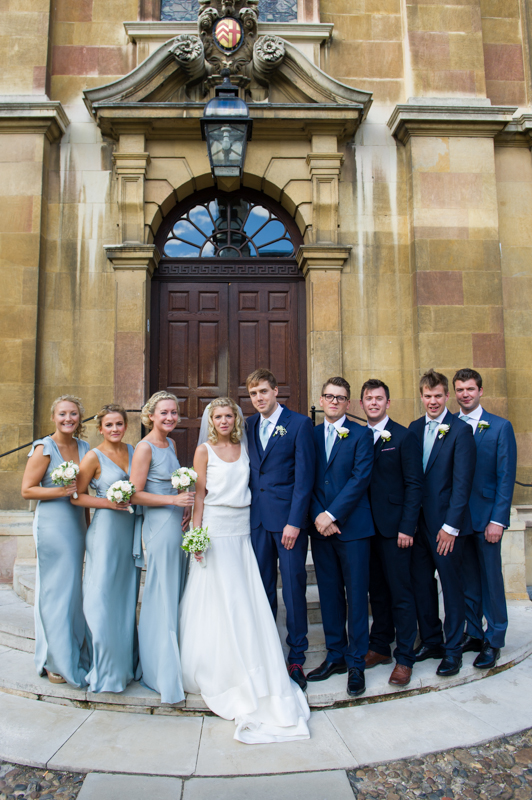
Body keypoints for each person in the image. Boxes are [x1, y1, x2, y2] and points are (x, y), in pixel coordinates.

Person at [179, 398, 310, 744]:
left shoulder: (246, 445)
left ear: (237, 419)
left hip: (243, 529)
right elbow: (200, 494)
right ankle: (219, 665)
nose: (223, 420)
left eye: (229, 415)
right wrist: (196, 535)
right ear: (211, 420)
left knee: (244, 595)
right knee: (218, 597)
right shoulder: (204, 451)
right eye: (218, 416)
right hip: (215, 527)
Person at [246, 369, 315, 691]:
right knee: (261, 588)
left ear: (276, 391)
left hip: (287, 522)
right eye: (253, 394)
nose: (259, 398)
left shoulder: (300, 424)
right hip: (256, 521)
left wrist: (295, 522)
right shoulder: (246, 425)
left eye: (263, 391)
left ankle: (296, 655)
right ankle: (267, 650)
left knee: (292, 587)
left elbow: (304, 479)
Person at [306, 377, 374, 697]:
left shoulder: (363, 435)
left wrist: (331, 515)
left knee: (357, 595)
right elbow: (306, 477)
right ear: (321, 400)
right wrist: (319, 515)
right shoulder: (311, 434)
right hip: (320, 530)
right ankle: (335, 655)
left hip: (353, 529)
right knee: (329, 594)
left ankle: (356, 661)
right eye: (329, 396)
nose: (334, 402)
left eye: (341, 397)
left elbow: (360, 479)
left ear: (349, 403)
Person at [409, 369, 476, 677]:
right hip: (418, 525)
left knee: (451, 587)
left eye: (438, 396)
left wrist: (451, 527)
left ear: (446, 396)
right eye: (427, 396)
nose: (433, 401)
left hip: (446, 527)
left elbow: (462, 484)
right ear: (421, 396)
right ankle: (432, 640)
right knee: (422, 585)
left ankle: (452, 649)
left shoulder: (459, 430)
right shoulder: (413, 427)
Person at [129, 391, 194, 704]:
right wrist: (172, 500)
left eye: (174, 413)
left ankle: (175, 660)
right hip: (158, 528)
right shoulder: (144, 448)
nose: (170, 418)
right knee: (162, 594)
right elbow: (133, 494)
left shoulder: (171, 443)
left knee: (176, 591)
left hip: (177, 525)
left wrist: (183, 506)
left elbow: (176, 482)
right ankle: (159, 670)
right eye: (164, 413)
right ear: (150, 415)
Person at [21, 395, 90, 687]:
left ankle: (71, 648)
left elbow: (84, 491)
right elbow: (27, 490)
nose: (68, 419)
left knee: (72, 589)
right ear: (54, 417)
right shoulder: (44, 448)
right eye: (62, 414)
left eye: (73, 414)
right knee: (54, 590)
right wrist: (59, 492)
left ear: (79, 418)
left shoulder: (85, 447)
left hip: (76, 525)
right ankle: (51, 658)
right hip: (52, 524)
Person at [72, 404, 140, 693]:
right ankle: (104, 666)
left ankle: (123, 665)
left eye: (119, 424)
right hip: (104, 532)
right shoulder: (92, 456)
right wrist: (109, 502)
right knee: (100, 598)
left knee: (124, 599)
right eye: (109, 425)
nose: (115, 429)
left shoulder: (135, 451)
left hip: (128, 532)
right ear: (100, 428)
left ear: (126, 426)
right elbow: (77, 496)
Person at [360, 379, 423, 687]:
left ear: (388, 403)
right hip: (366, 529)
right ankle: (379, 646)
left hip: (395, 529)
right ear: (361, 404)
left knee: (400, 592)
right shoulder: (358, 435)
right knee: (377, 592)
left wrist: (407, 526)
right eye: (369, 399)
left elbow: (414, 484)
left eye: (379, 398)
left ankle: (405, 658)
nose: (374, 403)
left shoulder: (403, 436)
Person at [453, 368, 517, 669]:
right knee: (467, 581)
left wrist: (498, 520)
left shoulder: (500, 427)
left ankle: (495, 639)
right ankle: (473, 633)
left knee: (491, 581)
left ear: (480, 391)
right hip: (459, 520)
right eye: (460, 390)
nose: (465, 394)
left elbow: (506, 478)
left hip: (487, 518)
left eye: (470, 389)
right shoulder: (450, 425)